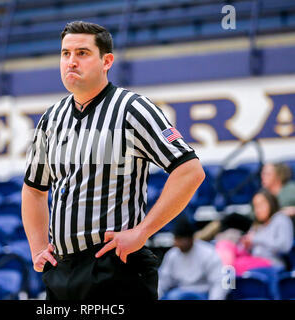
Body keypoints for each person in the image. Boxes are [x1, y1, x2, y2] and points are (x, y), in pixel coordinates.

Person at [21, 21, 205, 300]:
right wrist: (38, 247)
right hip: (62, 270)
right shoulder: (51, 118)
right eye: (65, 53)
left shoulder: (133, 109)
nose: (71, 62)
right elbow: (34, 189)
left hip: (116, 267)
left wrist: (142, 232)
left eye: (82, 53)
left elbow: (190, 171)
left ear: (107, 61)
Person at [215, 189, 293, 276]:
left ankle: (227, 287)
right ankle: (226, 286)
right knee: (224, 246)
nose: (258, 209)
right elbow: (251, 250)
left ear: (271, 203)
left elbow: (285, 247)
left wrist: (255, 239)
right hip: (252, 260)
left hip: (272, 263)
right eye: (255, 206)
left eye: (261, 205)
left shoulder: (280, 219)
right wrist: (246, 245)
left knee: (234, 266)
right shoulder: (256, 225)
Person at [158, 217, 228, 300]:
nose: (179, 243)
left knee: (175, 296)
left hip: (202, 293)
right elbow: (163, 281)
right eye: (177, 240)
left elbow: (219, 282)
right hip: (178, 291)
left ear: (191, 239)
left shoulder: (208, 253)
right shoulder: (172, 255)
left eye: (182, 240)